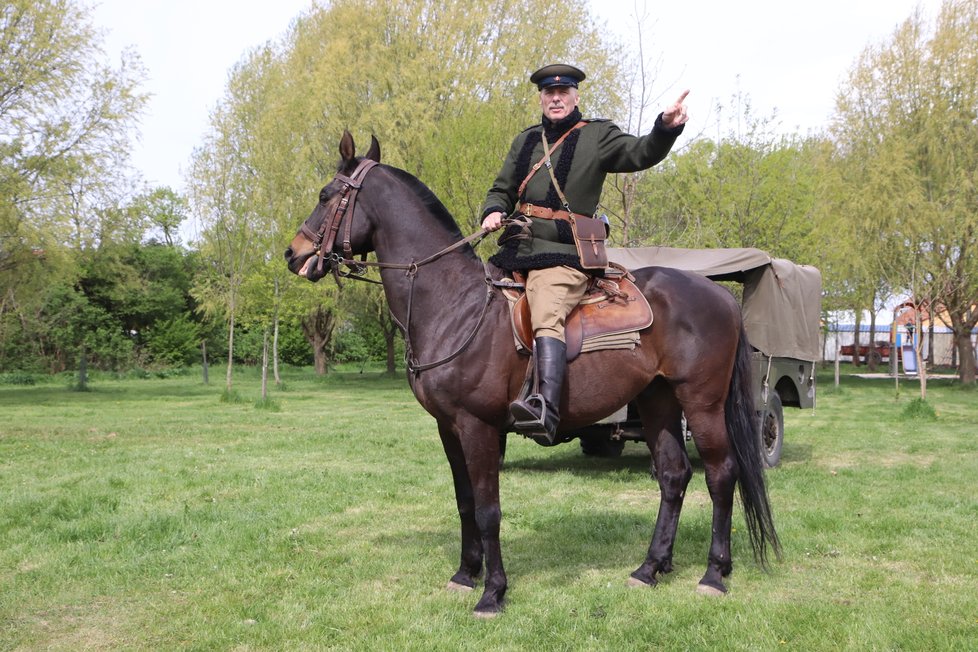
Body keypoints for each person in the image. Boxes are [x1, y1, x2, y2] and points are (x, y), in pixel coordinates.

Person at [481, 63, 689, 444]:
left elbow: (639, 153)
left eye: (563, 92)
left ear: (576, 96)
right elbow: (502, 188)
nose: (555, 98)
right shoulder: (524, 141)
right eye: (548, 93)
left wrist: (665, 128)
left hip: (564, 254)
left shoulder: (597, 136)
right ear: (541, 98)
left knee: (545, 306)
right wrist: (494, 209)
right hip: (515, 249)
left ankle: (545, 406)